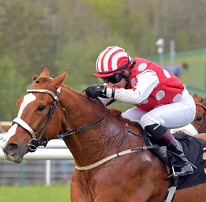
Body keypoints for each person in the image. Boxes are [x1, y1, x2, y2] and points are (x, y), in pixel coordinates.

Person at [83, 46, 196, 178]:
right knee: (122, 120)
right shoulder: (122, 78)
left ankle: (181, 161)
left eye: (113, 78)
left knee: (148, 120)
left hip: (182, 106)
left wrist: (104, 90)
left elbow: (137, 96)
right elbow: (99, 102)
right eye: (105, 80)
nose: (110, 84)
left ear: (126, 71)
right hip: (155, 108)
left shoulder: (146, 72)